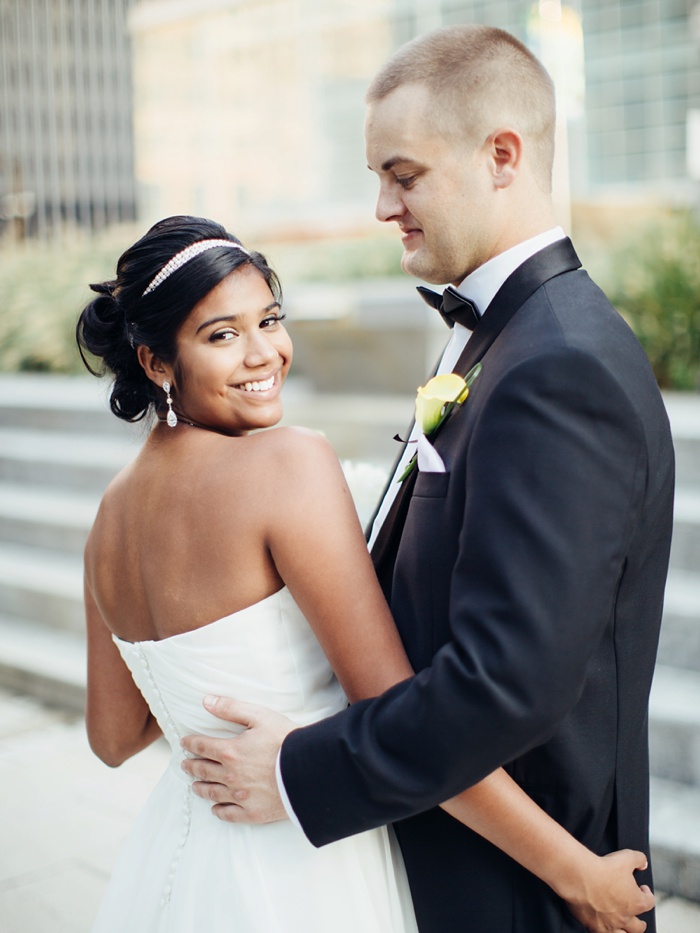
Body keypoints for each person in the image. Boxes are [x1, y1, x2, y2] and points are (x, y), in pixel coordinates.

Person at [179, 24, 675, 933]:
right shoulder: (505, 336)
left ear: (502, 156)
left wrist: (300, 771)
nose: (381, 207)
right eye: (377, 177)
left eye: (402, 175)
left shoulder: (559, 366)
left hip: (520, 891)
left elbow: (505, 682)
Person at [79, 215, 656, 933]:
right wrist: (572, 869)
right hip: (303, 859)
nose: (265, 354)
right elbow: (394, 704)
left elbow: (112, 737)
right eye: (222, 335)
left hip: (183, 850)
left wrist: (206, 707)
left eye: (270, 320)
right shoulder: (286, 464)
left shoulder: (108, 516)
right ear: (157, 362)